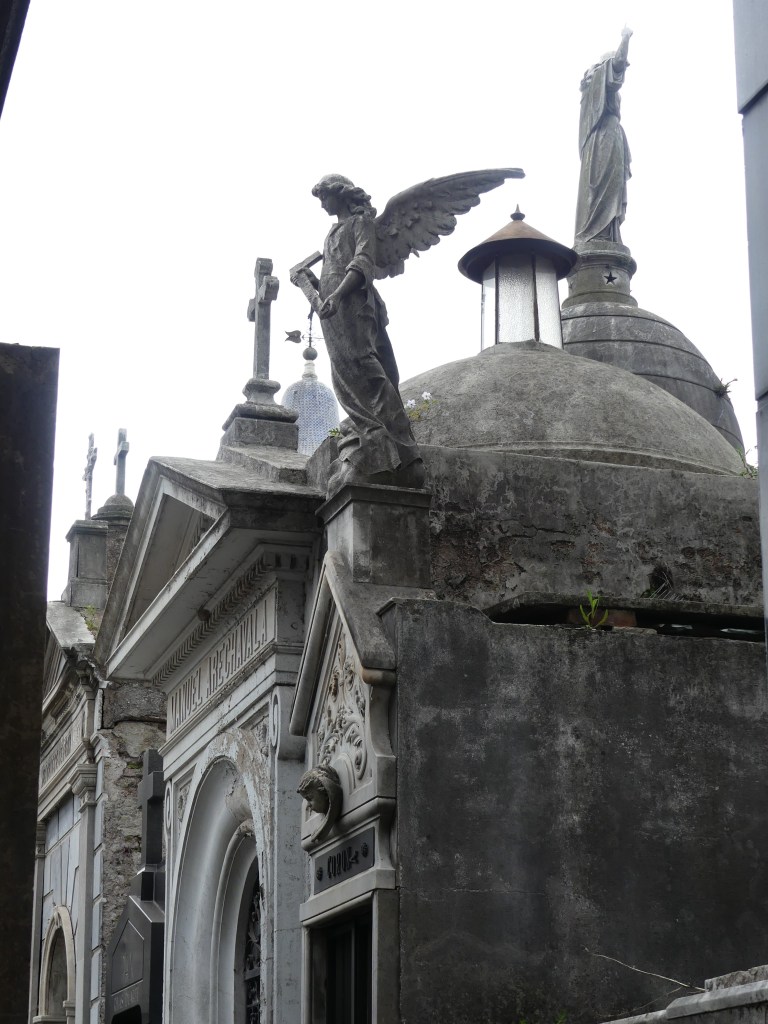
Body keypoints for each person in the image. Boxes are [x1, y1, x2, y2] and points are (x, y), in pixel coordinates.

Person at [293, 174, 424, 490]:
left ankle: (399, 452)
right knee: (344, 375)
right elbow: (333, 272)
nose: (322, 205)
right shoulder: (332, 231)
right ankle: (370, 442)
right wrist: (310, 283)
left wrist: (337, 295)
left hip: (354, 305)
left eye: (324, 197)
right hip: (333, 311)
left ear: (340, 195)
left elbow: (363, 263)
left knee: (365, 370)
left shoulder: (360, 222)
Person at [575, 27, 633, 246]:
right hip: (605, 140)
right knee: (603, 187)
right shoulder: (600, 80)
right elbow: (618, 63)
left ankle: (608, 234)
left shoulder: (591, 93)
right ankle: (598, 234)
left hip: (608, 138)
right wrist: (625, 38)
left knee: (611, 188)